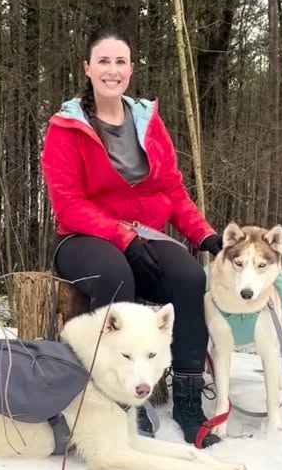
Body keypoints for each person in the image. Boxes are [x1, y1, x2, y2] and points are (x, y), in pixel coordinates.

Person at [41, 25, 224, 448]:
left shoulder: (148, 121)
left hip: (144, 235)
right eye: (103, 61)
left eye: (120, 61)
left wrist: (205, 234)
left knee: (190, 278)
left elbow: (172, 190)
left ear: (130, 69)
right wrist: (122, 238)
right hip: (82, 238)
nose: (112, 69)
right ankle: (117, 398)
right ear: (87, 69)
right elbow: (68, 204)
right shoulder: (66, 128)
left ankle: (188, 401)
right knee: (115, 277)